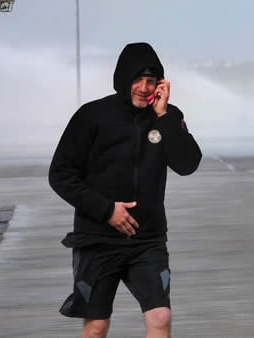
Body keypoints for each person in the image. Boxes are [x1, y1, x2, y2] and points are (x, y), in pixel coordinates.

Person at [49, 42, 202, 338]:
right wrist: (107, 210)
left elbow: (188, 164)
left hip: (147, 240)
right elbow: (60, 174)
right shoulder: (91, 116)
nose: (145, 88)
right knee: (96, 327)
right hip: (97, 239)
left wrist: (163, 116)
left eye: (152, 81)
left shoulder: (167, 117)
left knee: (160, 316)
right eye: (138, 80)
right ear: (123, 79)